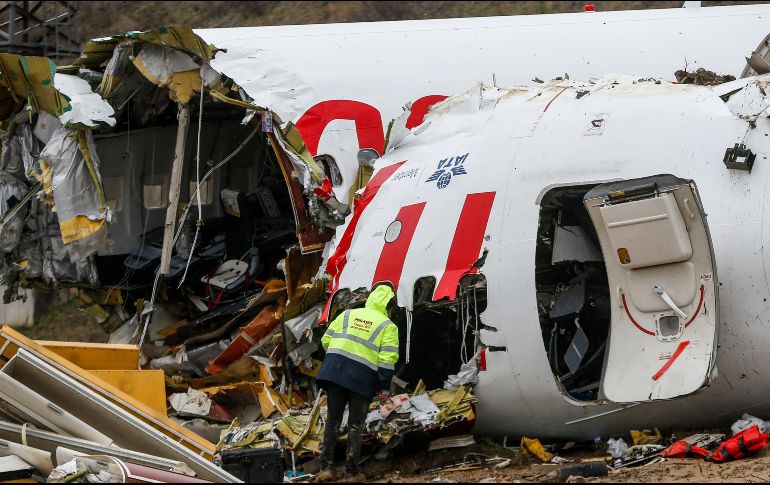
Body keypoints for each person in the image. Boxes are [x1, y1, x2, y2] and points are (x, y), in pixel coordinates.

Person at [314, 284, 400, 482]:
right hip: (361, 378)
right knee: (355, 426)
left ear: (370, 300)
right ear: (389, 306)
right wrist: (384, 387)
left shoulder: (347, 314)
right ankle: (352, 473)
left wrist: (340, 359)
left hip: (335, 373)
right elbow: (387, 360)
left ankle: (326, 470)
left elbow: (326, 341)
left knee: (332, 423)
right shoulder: (388, 326)